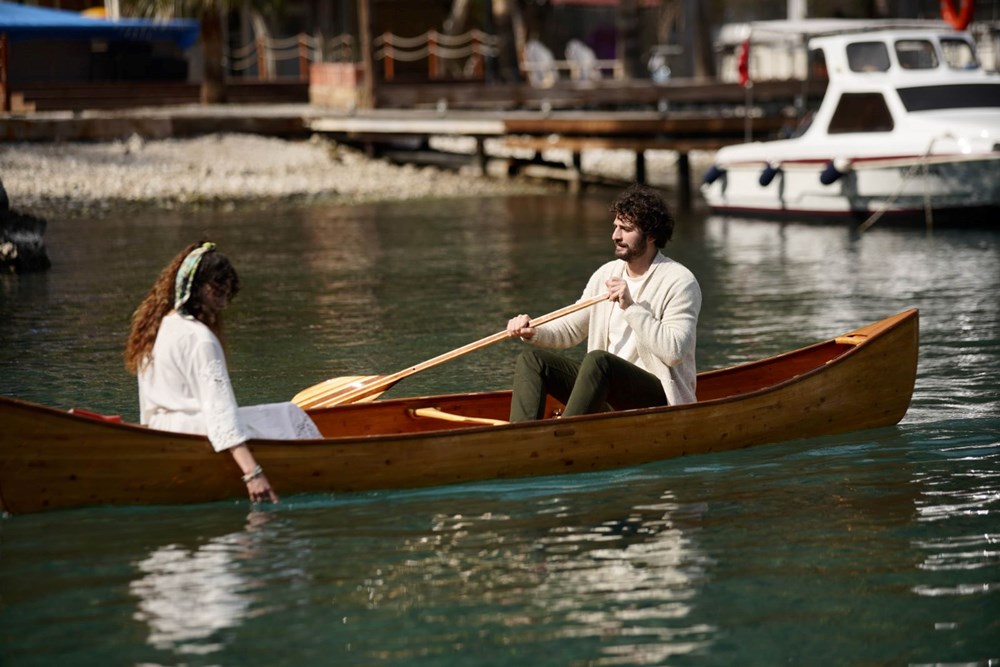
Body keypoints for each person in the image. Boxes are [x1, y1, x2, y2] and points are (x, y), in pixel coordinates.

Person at [124, 241, 322, 503]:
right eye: (217, 293)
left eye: (227, 295)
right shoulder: (200, 338)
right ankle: (327, 466)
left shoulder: (156, 328)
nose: (223, 304)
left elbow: (147, 407)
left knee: (286, 412)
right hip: (197, 433)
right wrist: (253, 474)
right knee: (289, 414)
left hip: (161, 432)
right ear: (197, 289)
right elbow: (220, 411)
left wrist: (149, 440)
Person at [506, 184, 701, 422]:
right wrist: (532, 330)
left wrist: (631, 307)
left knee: (600, 361)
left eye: (626, 229)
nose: (615, 236)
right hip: (607, 390)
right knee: (532, 360)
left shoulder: (679, 281)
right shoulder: (606, 274)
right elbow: (570, 329)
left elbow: (673, 352)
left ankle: (561, 435)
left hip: (659, 398)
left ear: (651, 235)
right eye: (616, 227)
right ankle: (520, 436)